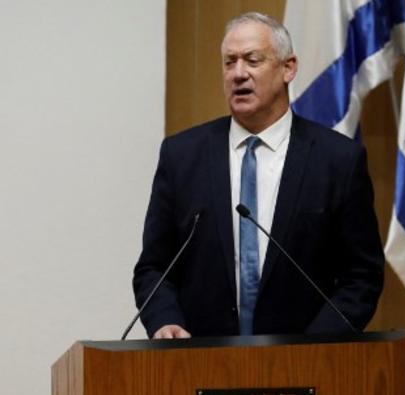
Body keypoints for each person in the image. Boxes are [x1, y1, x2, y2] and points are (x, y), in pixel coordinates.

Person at [132, 12, 385, 339]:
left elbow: (361, 276)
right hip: (199, 363)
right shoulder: (181, 156)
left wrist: (317, 345)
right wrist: (165, 321)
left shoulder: (338, 160)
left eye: (252, 60)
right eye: (229, 62)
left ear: (288, 68)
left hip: (306, 369)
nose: (238, 74)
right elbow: (154, 267)